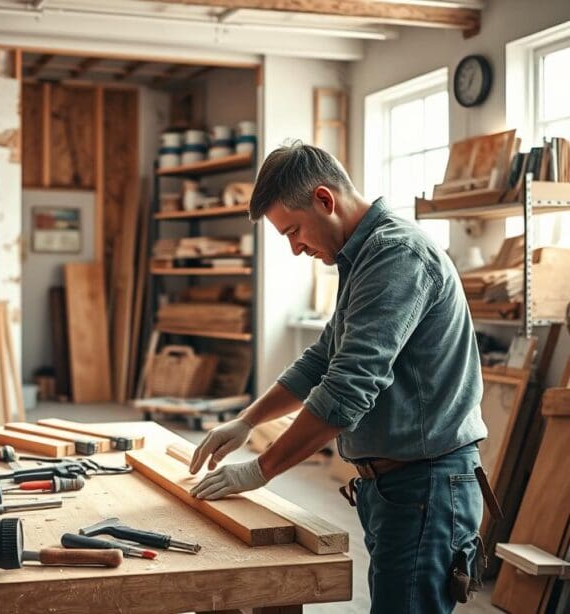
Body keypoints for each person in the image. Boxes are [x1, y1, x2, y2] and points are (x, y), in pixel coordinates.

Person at [188, 142, 491, 613]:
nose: (295, 248)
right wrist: (247, 420)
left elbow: (347, 389)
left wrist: (260, 469)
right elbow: (321, 359)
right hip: (394, 485)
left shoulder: (396, 256)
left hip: (426, 485)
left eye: (293, 231)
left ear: (325, 200)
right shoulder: (363, 258)